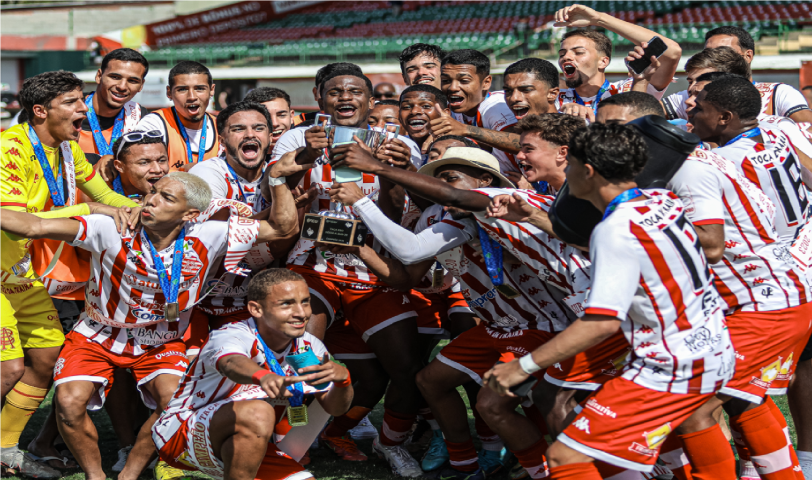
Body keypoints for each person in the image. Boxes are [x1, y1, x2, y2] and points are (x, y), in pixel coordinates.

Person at [0, 162, 300, 480]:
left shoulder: (210, 233)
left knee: (171, 403)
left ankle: (129, 475)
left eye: (166, 197)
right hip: (99, 332)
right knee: (69, 402)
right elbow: (33, 227)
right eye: (153, 192)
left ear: (190, 215)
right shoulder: (110, 227)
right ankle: (95, 476)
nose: (151, 200)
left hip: (162, 338)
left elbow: (283, 228)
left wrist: (278, 177)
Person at [485, 123, 736, 480]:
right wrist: (533, 216)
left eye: (569, 163)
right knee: (687, 426)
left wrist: (521, 367)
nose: (567, 172)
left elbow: (602, 321)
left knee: (564, 456)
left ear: (587, 172)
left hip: (669, 365)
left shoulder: (614, 230)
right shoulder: (659, 201)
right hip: (711, 347)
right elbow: (625, 245)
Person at [328, 145, 587, 480]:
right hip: (496, 325)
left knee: (510, 403)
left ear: (484, 180)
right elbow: (408, 277)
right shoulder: (437, 214)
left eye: (450, 179)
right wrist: (359, 248)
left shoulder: (498, 203)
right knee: (431, 381)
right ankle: (467, 465)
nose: (442, 189)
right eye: (437, 181)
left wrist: (361, 202)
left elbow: (409, 250)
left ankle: (543, 471)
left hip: (541, 324)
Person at [595, 91, 810, 479]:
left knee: (693, 403)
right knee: (743, 400)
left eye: (616, 129)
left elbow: (710, 244)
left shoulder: (688, 170)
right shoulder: (691, 161)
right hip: (761, 297)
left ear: (647, 127)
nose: (604, 138)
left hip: (763, 303)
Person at [271, 67, 427, 476]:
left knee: (404, 368)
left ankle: (383, 442)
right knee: (300, 365)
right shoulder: (298, 136)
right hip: (312, 268)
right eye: (335, 91)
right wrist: (305, 155)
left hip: (371, 272)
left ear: (369, 101)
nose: (345, 96)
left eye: (355, 91)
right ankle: (290, 439)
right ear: (320, 98)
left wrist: (386, 169)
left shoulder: (399, 144)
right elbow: (275, 181)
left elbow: (402, 212)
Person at [0, 70, 139, 478]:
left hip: (19, 272)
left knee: (45, 359)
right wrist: (89, 212)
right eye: (73, 102)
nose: (84, 108)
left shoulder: (67, 147)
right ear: (40, 111)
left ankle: (5, 447)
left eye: (82, 100)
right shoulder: (9, 148)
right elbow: (12, 221)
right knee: (8, 368)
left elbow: (105, 196)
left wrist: (141, 210)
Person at [152, 268, 353, 480]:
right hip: (180, 437)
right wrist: (263, 376)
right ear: (256, 309)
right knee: (259, 412)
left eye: (305, 301)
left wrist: (343, 381)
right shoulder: (232, 334)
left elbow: (335, 408)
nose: (301, 313)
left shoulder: (308, 347)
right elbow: (231, 362)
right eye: (287, 303)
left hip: (244, 437)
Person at [189, 101, 302, 347]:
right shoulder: (208, 172)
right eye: (239, 129)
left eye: (258, 128)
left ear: (270, 137)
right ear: (222, 139)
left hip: (249, 301)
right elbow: (221, 233)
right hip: (196, 299)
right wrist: (278, 211)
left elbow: (288, 231)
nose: (250, 134)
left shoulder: (280, 171)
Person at [689, 75, 812, 244]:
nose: (690, 113)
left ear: (725, 117)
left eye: (699, 109)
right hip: (805, 241)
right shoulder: (775, 131)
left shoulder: (723, 162)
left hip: (779, 256)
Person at [554, 4, 682, 121]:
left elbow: (672, 51)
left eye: (579, 52)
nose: (566, 57)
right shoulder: (552, 98)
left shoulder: (631, 87)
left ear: (603, 62)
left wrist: (600, 19)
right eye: (562, 54)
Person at [705, 26, 812, 123]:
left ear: (748, 56)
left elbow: (809, 127)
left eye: (723, 52)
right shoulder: (692, 97)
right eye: (707, 54)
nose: (714, 59)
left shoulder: (778, 93)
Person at [432, 49, 521, 167]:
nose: (453, 88)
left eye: (464, 81)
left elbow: (522, 143)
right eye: (446, 81)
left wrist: (466, 130)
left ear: (486, 83)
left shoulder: (495, 106)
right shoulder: (451, 109)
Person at [134, 61, 220, 172]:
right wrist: (185, 174)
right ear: (169, 93)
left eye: (199, 88)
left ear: (211, 90)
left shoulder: (222, 126)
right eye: (182, 89)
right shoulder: (154, 124)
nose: (192, 97)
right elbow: (142, 172)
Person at [78, 48, 149, 165]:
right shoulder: (69, 110)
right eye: (115, 77)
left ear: (141, 85)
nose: (122, 86)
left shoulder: (141, 116)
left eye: (132, 80)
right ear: (99, 76)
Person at [661, 46, 750, 122]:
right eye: (690, 82)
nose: (691, 88)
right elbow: (648, 112)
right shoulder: (689, 97)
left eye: (701, 81)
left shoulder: (762, 115)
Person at [293, 62, 363, 127]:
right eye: (333, 92)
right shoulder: (295, 124)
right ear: (315, 94)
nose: (345, 97)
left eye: (354, 91)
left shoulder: (371, 123)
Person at [397, 84, 449, 161]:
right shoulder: (393, 146)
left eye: (426, 106)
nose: (414, 111)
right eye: (406, 107)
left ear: (445, 114)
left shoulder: (456, 146)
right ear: (399, 116)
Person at [243, 87, 295, 155]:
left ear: (291, 117)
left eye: (281, 115)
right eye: (266, 117)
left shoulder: (307, 152)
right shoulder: (239, 159)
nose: (274, 123)